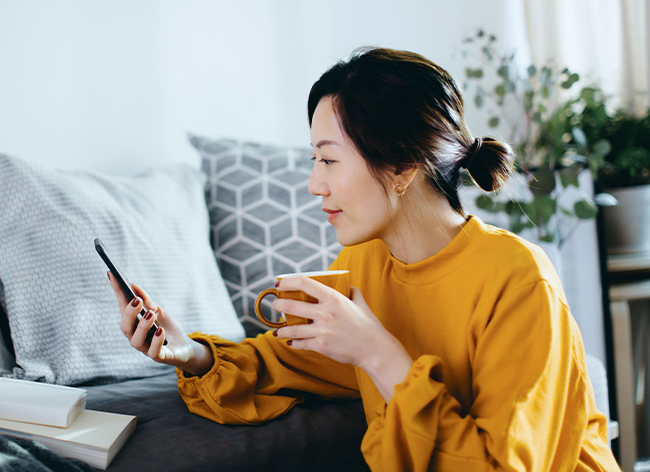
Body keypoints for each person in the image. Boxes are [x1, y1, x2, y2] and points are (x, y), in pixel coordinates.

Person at [108, 48, 621, 471]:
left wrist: (377, 352)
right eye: (315, 160)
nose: (315, 184)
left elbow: (507, 465)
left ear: (401, 167)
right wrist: (188, 353)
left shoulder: (517, 278)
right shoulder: (363, 263)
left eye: (329, 159)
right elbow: (289, 361)